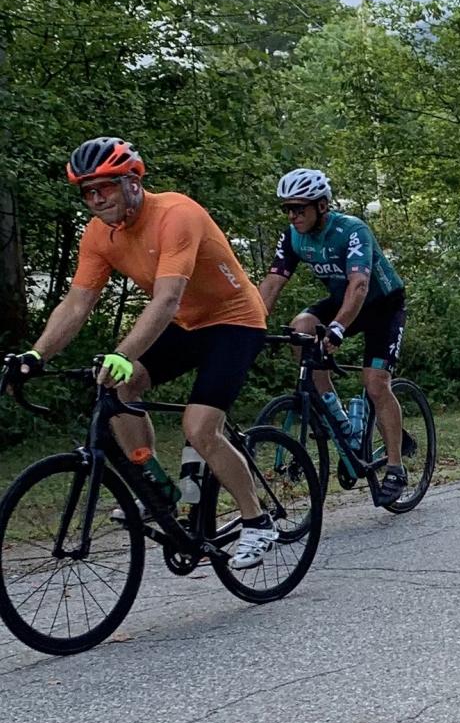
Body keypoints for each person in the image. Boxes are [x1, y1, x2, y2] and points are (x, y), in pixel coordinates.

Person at [5, 138, 277, 567]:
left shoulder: (176, 215)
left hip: (234, 321)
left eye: (105, 188)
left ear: (133, 182)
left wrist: (122, 352)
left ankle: (257, 521)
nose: (96, 199)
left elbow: (166, 300)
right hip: (187, 324)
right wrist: (35, 356)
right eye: (87, 192)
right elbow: (77, 304)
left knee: (200, 426)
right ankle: (155, 488)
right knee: (121, 389)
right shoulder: (99, 234)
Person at [257, 168, 411, 506]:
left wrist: (339, 328)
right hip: (344, 301)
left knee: (375, 383)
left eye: (300, 208)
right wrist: (248, 325)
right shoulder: (294, 236)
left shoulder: (352, 230)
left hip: (382, 305)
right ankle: (336, 416)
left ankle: (396, 468)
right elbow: (271, 284)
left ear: (322, 206)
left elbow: (359, 285)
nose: (293, 215)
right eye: (288, 209)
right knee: (301, 327)